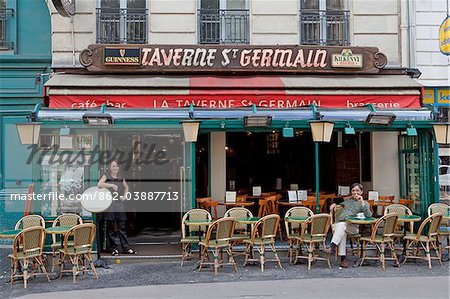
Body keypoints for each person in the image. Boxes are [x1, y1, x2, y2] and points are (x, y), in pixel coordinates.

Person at [326, 183, 372, 268]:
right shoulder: (347, 200)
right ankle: (343, 259)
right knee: (342, 230)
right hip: (339, 224)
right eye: (353, 190)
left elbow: (369, 215)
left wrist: (361, 202)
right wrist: (334, 204)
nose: (355, 192)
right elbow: (339, 203)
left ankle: (332, 247)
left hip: (353, 227)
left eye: (357, 190)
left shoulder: (365, 203)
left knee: (341, 227)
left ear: (361, 192)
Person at [98, 160, 137, 256]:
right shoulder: (106, 175)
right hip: (110, 204)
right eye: (113, 166)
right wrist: (111, 185)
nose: (115, 168)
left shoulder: (120, 177)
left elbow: (126, 187)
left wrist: (125, 196)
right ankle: (113, 249)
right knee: (111, 228)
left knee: (122, 227)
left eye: (117, 166)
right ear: (110, 167)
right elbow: (99, 184)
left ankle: (126, 248)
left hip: (119, 204)